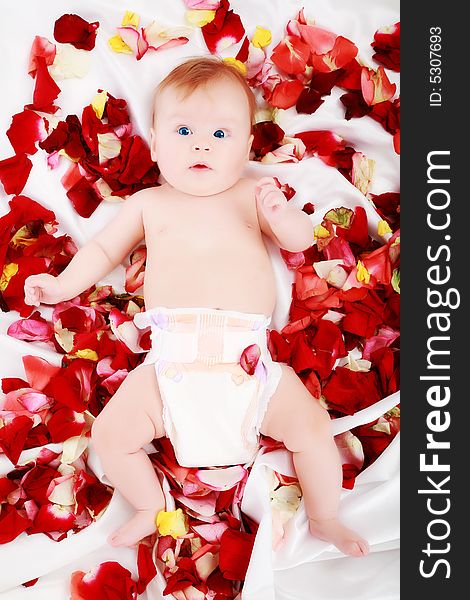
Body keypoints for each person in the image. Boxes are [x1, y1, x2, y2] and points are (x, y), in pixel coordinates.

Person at [24, 57, 369, 557]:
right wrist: (59, 288)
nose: (201, 145)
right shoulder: (149, 203)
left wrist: (284, 214)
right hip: (170, 369)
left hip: (248, 369)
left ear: (248, 148)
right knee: (110, 434)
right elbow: (101, 252)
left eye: (220, 134)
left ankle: (325, 516)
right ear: (158, 145)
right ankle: (148, 505)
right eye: (184, 130)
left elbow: (299, 241)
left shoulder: (251, 195)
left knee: (312, 430)